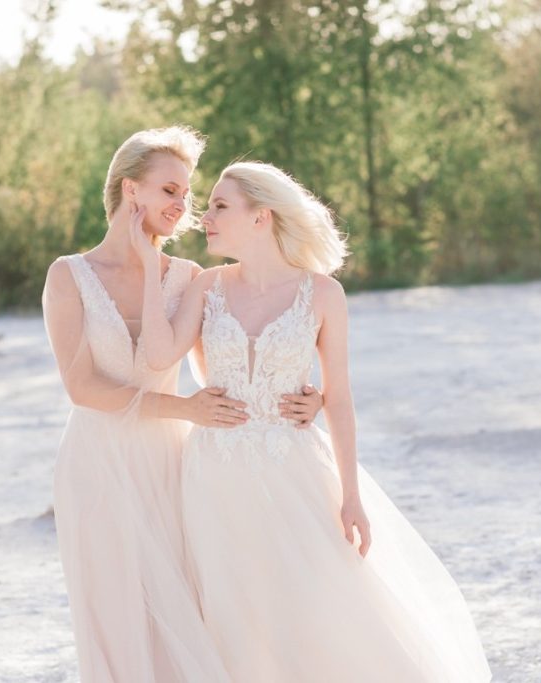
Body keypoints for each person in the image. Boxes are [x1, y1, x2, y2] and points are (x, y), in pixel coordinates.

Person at [132, 161, 493, 682]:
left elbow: (340, 398)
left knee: (314, 598)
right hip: (213, 474)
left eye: (219, 205)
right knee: (234, 609)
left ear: (262, 217)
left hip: (294, 469)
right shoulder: (206, 286)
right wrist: (149, 266)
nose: (203, 215)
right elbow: (158, 357)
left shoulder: (323, 294)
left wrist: (351, 495)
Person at [41, 128, 322, 682]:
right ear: (131, 190)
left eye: (189, 194)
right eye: (171, 190)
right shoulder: (68, 275)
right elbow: (83, 389)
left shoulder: (190, 277)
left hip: (176, 466)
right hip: (97, 466)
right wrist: (185, 411)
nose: (184, 207)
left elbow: (222, 367)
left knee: (190, 610)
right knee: (114, 614)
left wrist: (309, 394)